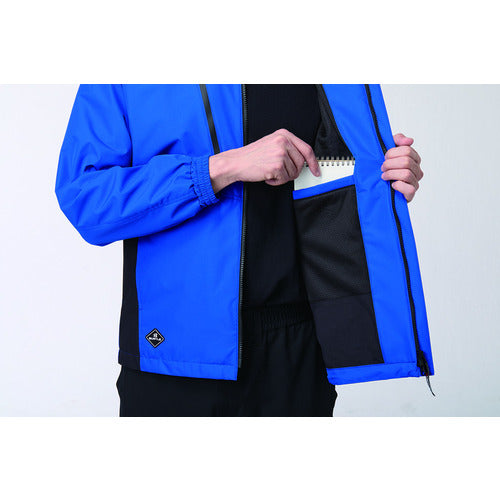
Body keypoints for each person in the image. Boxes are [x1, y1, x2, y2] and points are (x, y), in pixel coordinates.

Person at [56, 84, 426, 417]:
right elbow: (85, 199)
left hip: (300, 353)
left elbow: (335, 172)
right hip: (177, 357)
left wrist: (384, 176)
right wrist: (221, 169)